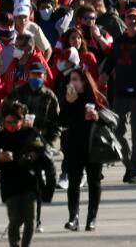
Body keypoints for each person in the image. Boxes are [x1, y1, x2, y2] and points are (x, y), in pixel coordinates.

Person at [101, 6, 136, 183]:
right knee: (117, 132)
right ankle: (130, 166)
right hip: (120, 93)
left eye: (135, 18)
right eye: (129, 18)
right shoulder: (119, 41)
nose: (132, 21)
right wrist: (104, 74)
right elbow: (111, 61)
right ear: (124, 20)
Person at [56, 64, 107, 232]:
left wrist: (97, 116)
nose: (72, 83)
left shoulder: (95, 99)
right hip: (74, 146)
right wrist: (69, 103)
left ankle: (91, 218)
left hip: (94, 146)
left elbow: (112, 120)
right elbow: (61, 122)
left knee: (94, 182)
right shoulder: (68, 99)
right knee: (74, 182)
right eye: (71, 80)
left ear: (84, 82)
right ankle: (73, 217)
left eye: (76, 80)